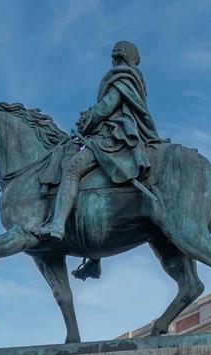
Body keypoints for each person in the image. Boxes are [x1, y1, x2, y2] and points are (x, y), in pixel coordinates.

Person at [35, 40, 160, 242]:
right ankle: (93, 260)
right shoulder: (133, 79)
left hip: (113, 137)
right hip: (119, 135)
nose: (112, 60)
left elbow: (106, 107)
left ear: (120, 56)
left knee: (71, 170)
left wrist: (87, 119)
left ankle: (57, 223)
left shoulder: (121, 78)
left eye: (114, 56)